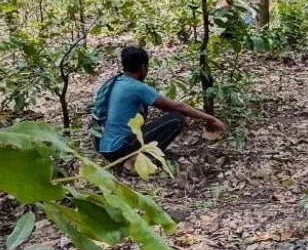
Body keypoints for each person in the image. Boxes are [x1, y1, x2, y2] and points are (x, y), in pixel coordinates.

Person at [93, 47, 226, 163]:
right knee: (176, 119)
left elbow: (164, 106)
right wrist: (211, 118)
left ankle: (132, 156)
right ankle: (137, 160)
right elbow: (178, 107)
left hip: (104, 148)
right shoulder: (136, 87)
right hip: (118, 149)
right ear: (143, 67)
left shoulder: (115, 82)